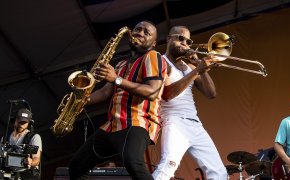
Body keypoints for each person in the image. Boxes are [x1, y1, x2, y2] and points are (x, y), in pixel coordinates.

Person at [68, 21, 167, 180]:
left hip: (137, 122)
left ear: (153, 43)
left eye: (146, 32)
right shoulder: (121, 64)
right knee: (75, 166)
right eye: (137, 29)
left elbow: (152, 92)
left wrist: (117, 79)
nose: (140, 33)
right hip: (111, 126)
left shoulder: (153, 56)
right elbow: (106, 92)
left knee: (132, 162)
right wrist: (81, 100)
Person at [152, 26, 227, 180]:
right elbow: (167, 94)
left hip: (195, 124)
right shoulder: (161, 61)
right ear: (168, 39)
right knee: (168, 166)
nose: (185, 43)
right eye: (180, 38)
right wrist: (196, 71)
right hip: (173, 121)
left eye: (188, 41)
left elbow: (211, 94)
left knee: (219, 172)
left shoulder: (190, 67)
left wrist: (201, 67)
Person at [7, 108, 42, 180]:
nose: (21, 125)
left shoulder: (33, 137)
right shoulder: (6, 137)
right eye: (19, 122)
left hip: (27, 175)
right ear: (14, 120)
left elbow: (36, 159)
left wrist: (31, 162)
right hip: (9, 173)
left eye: (24, 123)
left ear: (29, 123)